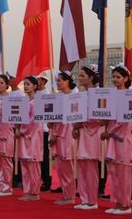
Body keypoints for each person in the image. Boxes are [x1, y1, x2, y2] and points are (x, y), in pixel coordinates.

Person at [103, 64, 132, 215]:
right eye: (113, 77)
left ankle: (126, 204)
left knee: (124, 172)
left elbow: (124, 120)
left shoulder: (129, 95)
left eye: (118, 77)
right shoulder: (111, 95)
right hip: (112, 138)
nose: (115, 79)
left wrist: (110, 132)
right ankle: (117, 202)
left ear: (126, 79)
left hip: (123, 137)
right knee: (114, 171)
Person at [73, 65, 102, 210]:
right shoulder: (81, 95)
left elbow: (99, 117)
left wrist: (82, 122)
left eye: (83, 75)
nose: (80, 78)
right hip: (82, 134)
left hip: (93, 134)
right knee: (82, 167)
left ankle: (92, 200)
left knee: (91, 169)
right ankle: (84, 198)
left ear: (91, 78)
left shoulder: (98, 94)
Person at [50, 71, 76, 205]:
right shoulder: (57, 97)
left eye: (60, 80)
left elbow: (68, 121)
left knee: (67, 167)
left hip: (67, 135)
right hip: (58, 135)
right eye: (57, 80)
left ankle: (70, 196)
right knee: (60, 167)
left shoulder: (74, 97)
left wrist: (55, 133)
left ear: (67, 81)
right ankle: (65, 194)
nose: (58, 82)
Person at [16, 76, 43, 201]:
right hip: (23, 136)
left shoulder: (37, 102)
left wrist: (21, 131)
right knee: (25, 164)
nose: (26, 86)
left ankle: (34, 192)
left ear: (35, 86)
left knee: (33, 165)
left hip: (32, 137)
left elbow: (33, 122)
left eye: (28, 84)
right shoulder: (25, 101)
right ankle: (27, 190)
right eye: (24, 84)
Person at [36, 73, 52, 192]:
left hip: (43, 130)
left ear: (43, 81)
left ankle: (47, 181)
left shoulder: (47, 96)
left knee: (44, 158)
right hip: (34, 131)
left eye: (38, 79)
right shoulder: (34, 94)